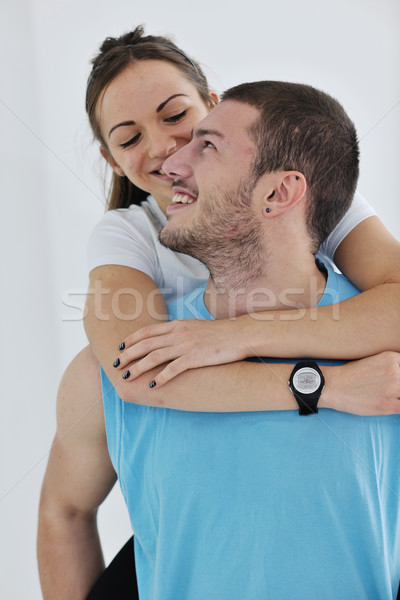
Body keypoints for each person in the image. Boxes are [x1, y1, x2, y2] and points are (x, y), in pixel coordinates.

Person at [36, 26, 400, 599]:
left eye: (177, 118)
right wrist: (324, 386)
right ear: (111, 161)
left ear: (213, 107)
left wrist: (232, 337)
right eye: (129, 138)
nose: (163, 150)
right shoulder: (127, 238)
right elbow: (139, 370)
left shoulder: (312, 194)